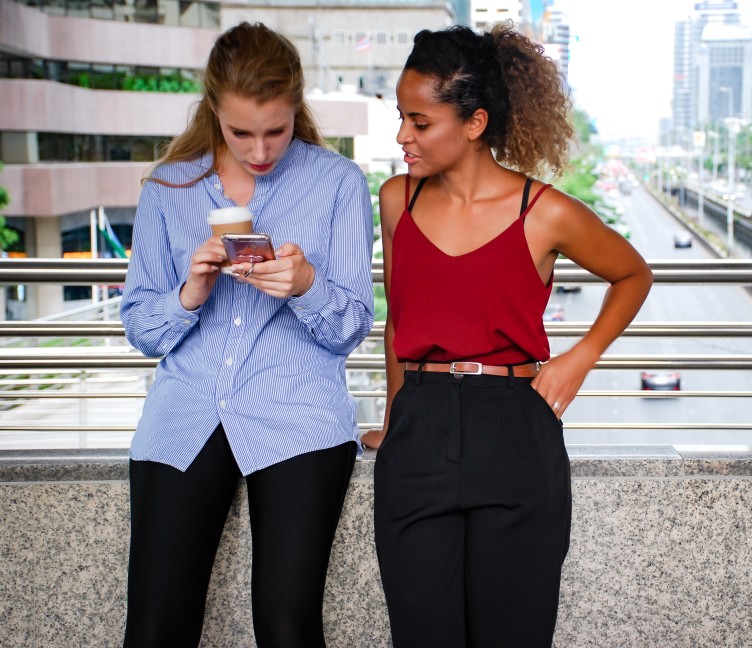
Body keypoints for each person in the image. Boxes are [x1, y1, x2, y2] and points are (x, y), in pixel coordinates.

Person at [361, 23, 653, 648]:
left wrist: (581, 356)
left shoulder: (544, 212)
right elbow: (398, 319)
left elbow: (633, 273)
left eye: (419, 122)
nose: (402, 136)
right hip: (418, 433)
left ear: (473, 123)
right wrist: (393, 416)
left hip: (516, 434)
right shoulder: (396, 201)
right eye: (401, 118)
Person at [119, 22, 374, 647]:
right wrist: (190, 293)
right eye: (241, 132)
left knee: (287, 629)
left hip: (298, 413)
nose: (260, 150)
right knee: (153, 629)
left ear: (297, 109)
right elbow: (141, 329)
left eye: (276, 131)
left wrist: (306, 282)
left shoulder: (339, 183)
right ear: (214, 111)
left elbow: (350, 329)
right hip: (184, 416)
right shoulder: (167, 188)